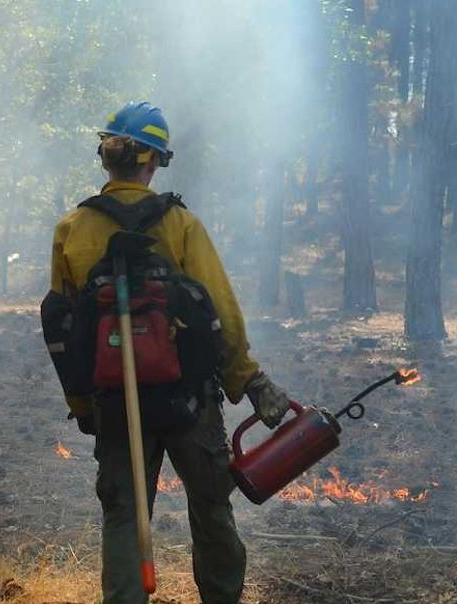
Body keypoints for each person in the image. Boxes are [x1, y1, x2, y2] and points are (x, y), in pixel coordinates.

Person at [40, 102, 290, 604]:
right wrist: (248, 381)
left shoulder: (72, 228)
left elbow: (65, 327)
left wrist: (84, 406)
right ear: (153, 161)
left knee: (123, 515)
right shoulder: (181, 224)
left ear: (106, 157)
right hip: (189, 400)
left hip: (114, 398)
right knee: (212, 508)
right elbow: (221, 310)